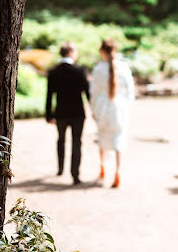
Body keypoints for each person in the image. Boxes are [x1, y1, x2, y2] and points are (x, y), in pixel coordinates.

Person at [90, 39, 135, 188]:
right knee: (119, 139)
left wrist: (93, 109)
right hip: (120, 107)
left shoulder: (98, 69)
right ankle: (118, 171)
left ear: (102, 51)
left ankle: (102, 167)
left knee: (102, 136)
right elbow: (130, 91)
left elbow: (94, 92)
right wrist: (127, 106)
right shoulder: (124, 67)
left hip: (103, 107)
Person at [46, 42, 90, 185]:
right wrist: (94, 108)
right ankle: (75, 175)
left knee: (61, 140)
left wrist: (48, 114)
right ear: (71, 52)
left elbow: (49, 95)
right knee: (77, 142)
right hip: (78, 113)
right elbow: (87, 92)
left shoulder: (54, 72)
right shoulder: (80, 71)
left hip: (61, 112)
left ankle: (60, 168)